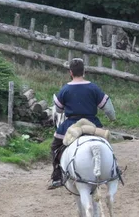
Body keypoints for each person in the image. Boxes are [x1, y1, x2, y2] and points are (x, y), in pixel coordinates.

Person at [48, 58, 116, 190]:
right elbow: (107, 108)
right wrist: (112, 118)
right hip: (92, 124)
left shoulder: (65, 89)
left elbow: (58, 110)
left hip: (72, 125)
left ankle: (57, 177)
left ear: (71, 73)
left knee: (55, 147)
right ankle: (113, 169)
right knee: (106, 144)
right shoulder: (93, 88)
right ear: (84, 71)